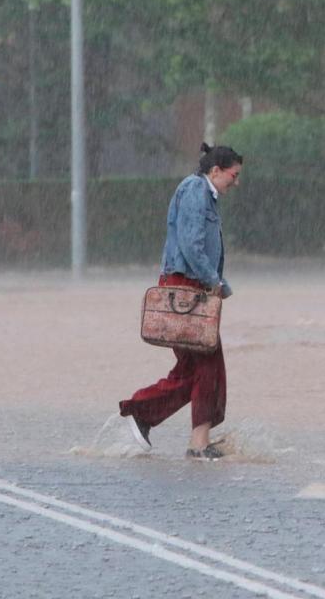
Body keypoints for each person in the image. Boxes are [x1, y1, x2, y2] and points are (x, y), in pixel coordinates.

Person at [119, 143, 243, 461]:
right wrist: (214, 282)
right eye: (234, 175)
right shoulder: (195, 190)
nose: (236, 182)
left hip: (194, 289)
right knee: (206, 363)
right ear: (215, 171)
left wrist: (217, 283)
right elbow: (191, 244)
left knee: (196, 367)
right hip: (185, 290)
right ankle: (191, 439)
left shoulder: (204, 194)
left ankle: (150, 417)